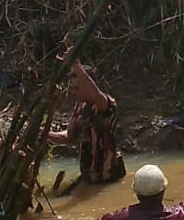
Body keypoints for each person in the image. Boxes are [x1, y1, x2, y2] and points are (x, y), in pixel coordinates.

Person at [49, 57, 126, 187]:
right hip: (88, 176)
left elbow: (95, 94)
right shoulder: (80, 107)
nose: (74, 92)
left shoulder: (105, 104)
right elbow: (69, 136)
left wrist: (76, 65)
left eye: (77, 87)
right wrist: (46, 134)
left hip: (108, 177)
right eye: (72, 88)